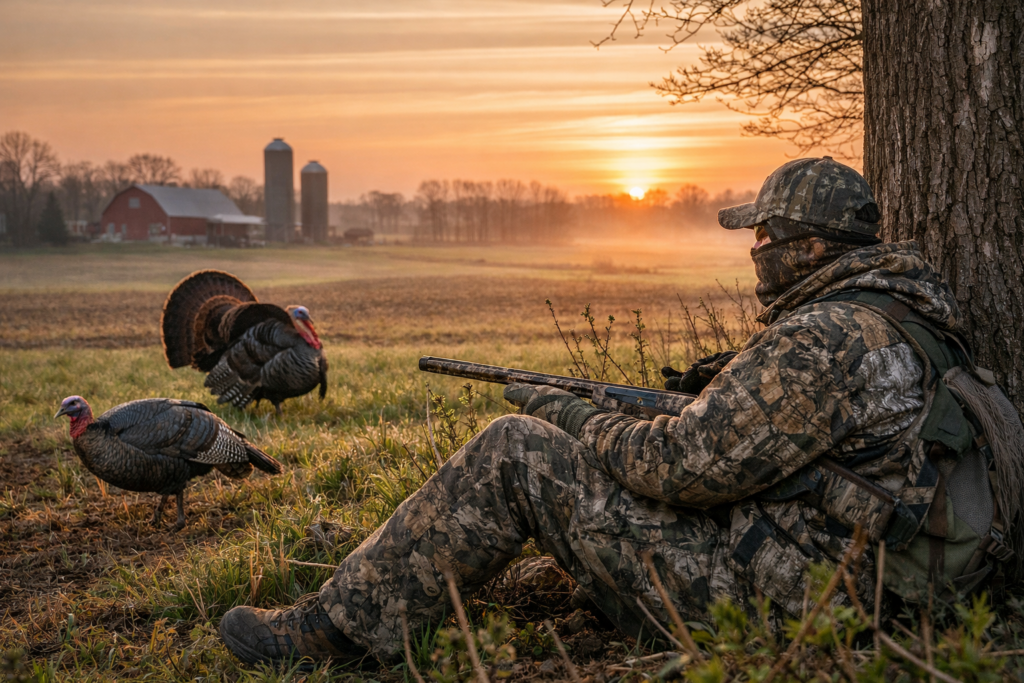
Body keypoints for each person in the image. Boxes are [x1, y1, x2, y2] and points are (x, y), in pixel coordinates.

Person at [219, 157, 1020, 667]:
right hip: (869, 589)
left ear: (811, 248)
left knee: (515, 451)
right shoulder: (908, 318)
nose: (755, 251)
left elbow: (676, 467)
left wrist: (573, 417)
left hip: (795, 608)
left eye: (766, 236)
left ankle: (330, 630)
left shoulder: (826, 337)